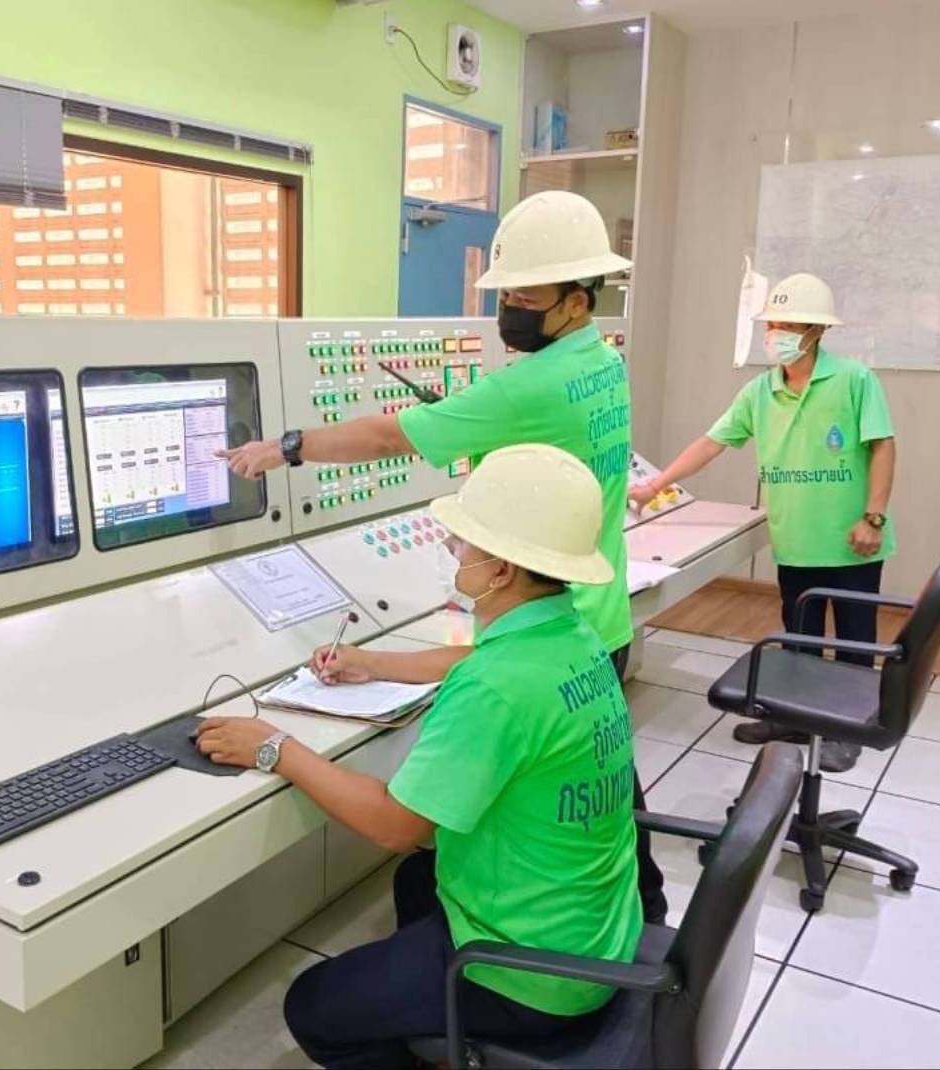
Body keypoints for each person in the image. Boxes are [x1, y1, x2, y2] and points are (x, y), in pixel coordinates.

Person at [221, 190, 667, 924]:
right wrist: (377, 662)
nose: (511, 307)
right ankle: (639, 917)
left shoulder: (530, 384)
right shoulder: (602, 360)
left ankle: (603, 935)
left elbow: (388, 436)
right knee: (594, 787)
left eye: (527, 296)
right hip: (594, 614)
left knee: (559, 790)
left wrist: (287, 447)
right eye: (507, 293)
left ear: (578, 302)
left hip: (548, 611)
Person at [195, 446, 643, 1070]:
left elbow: (394, 825)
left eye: (464, 541)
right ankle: (436, 1019)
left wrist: (274, 747)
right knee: (414, 882)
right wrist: (372, 663)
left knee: (313, 1007)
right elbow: (477, 662)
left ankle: (451, 1019)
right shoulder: (572, 636)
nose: (453, 549)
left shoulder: (495, 691)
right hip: (597, 933)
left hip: (536, 977)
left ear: (501, 570)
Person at [630, 272, 896, 773]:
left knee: (853, 641)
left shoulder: (854, 380)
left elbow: (883, 446)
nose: (776, 334)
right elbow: (711, 443)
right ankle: (794, 718)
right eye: (772, 324)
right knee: (799, 639)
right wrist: (654, 484)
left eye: (788, 325)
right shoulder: (760, 391)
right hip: (795, 539)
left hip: (852, 541)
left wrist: (873, 517)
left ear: (818, 330)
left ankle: (846, 732)